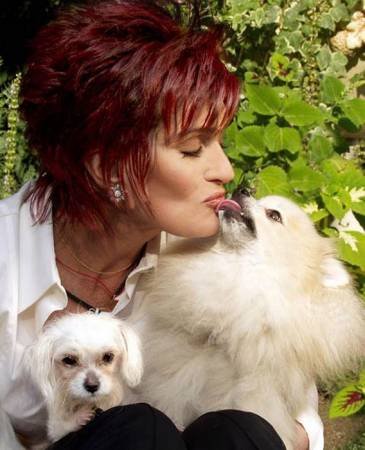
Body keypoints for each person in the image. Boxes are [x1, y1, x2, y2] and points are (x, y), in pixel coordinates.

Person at [0, 1, 323, 449]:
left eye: (220, 141)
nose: (225, 170)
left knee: (238, 432)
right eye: (193, 149)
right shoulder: (6, 261)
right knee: (138, 431)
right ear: (106, 166)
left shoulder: (217, 254)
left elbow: (297, 416)